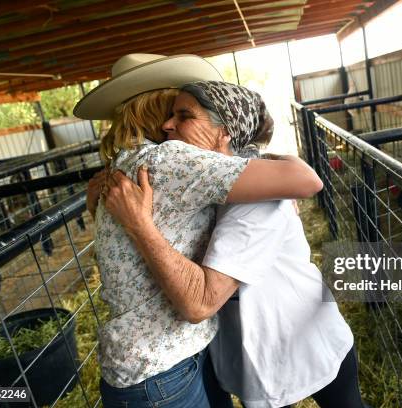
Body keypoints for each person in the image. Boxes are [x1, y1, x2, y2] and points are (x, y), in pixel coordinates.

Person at [75, 54, 323, 408]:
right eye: (174, 107)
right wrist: (270, 166)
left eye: (184, 113)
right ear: (157, 104)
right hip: (162, 367)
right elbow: (305, 180)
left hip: (149, 363)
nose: (170, 124)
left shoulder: (125, 163)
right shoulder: (169, 159)